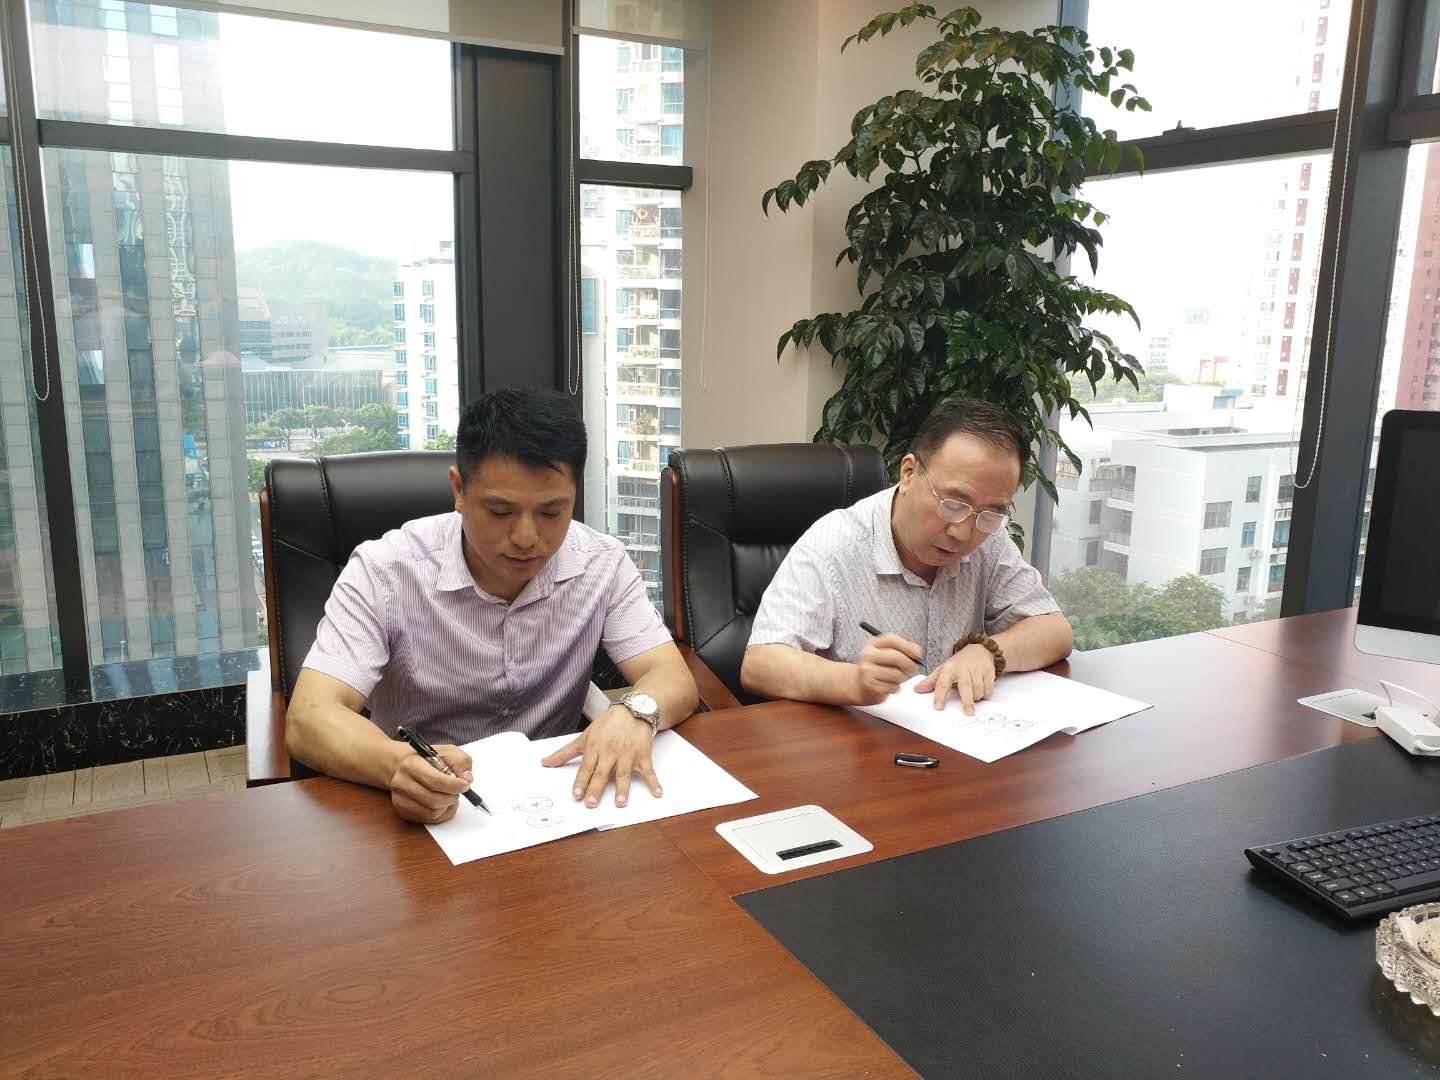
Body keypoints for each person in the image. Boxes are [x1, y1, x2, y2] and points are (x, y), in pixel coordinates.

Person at [286, 387, 698, 824]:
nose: (526, 537)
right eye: (500, 512)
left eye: (551, 512)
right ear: (458, 490)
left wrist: (634, 712)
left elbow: (672, 676)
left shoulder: (601, 563)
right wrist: (397, 765)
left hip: (555, 802)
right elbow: (309, 717)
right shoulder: (385, 570)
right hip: (425, 812)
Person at [741, 398, 1072, 714]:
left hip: (956, 736)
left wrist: (989, 652)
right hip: (859, 741)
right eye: (953, 504)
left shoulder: (990, 537)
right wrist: (855, 682)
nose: (962, 532)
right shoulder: (834, 545)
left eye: (990, 513)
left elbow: (1054, 630)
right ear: (909, 473)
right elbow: (760, 664)